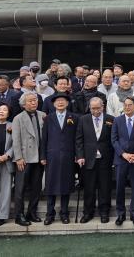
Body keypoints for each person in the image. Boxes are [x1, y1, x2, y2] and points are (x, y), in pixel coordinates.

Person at [40, 93, 79, 225]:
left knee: (66, 185)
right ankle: (49, 214)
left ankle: (64, 213)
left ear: (67, 103)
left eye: (63, 101)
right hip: (52, 156)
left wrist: (78, 155)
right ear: (54, 104)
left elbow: (77, 139)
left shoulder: (74, 118)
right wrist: (43, 156)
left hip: (68, 156)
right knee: (50, 186)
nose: (60, 103)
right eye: (58, 101)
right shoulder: (48, 118)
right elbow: (44, 139)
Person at [76, 97, 115, 224]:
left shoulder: (110, 119)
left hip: (105, 159)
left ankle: (104, 212)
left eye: (98, 108)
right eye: (93, 108)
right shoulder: (83, 119)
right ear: (89, 108)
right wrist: (80, 156)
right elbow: (79, 140)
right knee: (89, 188)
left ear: (103, 107)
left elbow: (114, 139)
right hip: (88, 159)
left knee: (105, 187)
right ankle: (88, 212)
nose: (96, 111)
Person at [111, 96, 134, 226]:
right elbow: (114, 140)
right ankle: (120, 214)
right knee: (120, 187)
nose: (127, 107)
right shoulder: (117, 120)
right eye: (125, 105)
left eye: (130, 105)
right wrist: (123, 154)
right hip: (121, 159)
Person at [11, 93, 45, 226]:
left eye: (35, 100)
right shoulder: (18, 118)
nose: (34, 103)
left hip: (39, 157)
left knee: (36, 187)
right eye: (30, 101)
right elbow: (16, 140)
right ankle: (19, 215)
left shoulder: (43, 115)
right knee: (20, 188)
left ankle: (32, 212)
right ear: (23, 104)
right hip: (24, 158)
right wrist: (18, 157)